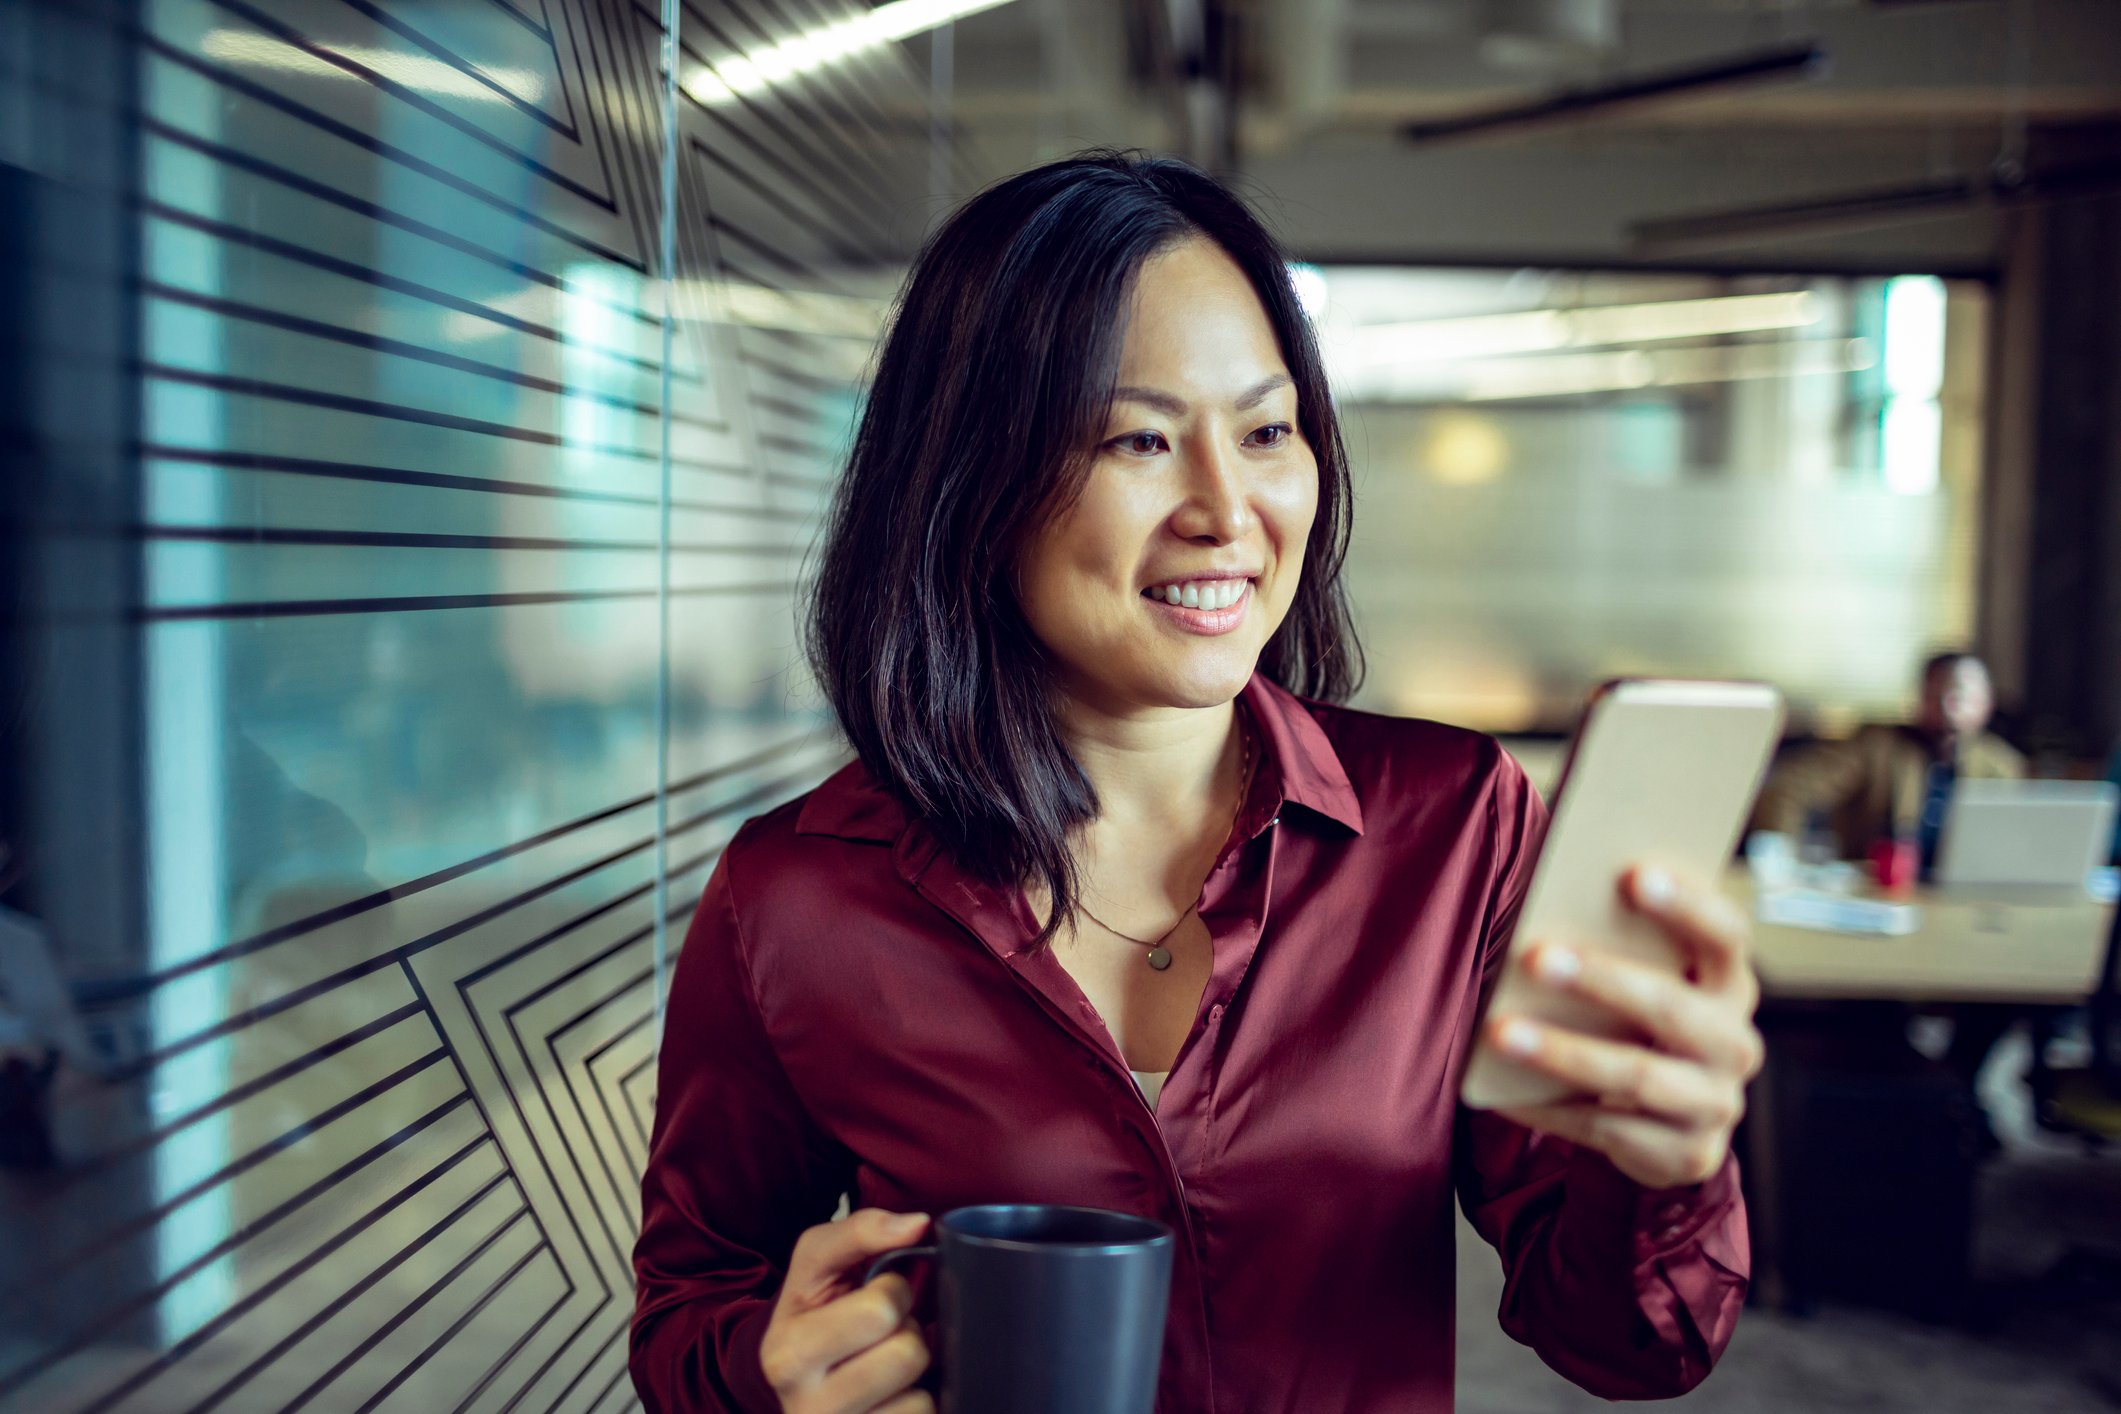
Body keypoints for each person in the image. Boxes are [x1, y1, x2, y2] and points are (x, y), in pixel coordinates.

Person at [630, 153, 1759, 1414]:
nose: (1230, 509)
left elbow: (1628, 1341)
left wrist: (1667, 1166)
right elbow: (693, 1309)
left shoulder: (1454, 825)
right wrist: (765, 1375)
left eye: (1268, 430)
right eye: (1140, 437)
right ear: (972, 486)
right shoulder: (795, 896)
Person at [1754, 651, 2023, 877]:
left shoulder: (2001, 765)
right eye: (1937, 692)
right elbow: (1788, 788)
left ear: (1987, 703)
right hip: (1875, 889)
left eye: (1962, 695)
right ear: (1920, 696)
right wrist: (1780, 861)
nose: (1948, 705)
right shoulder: (1875, 746)